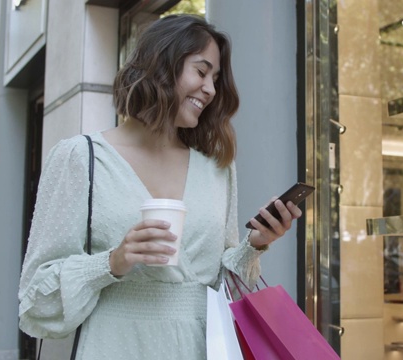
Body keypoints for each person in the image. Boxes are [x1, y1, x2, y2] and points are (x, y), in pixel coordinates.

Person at [18, 14, 303, 360]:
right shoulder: (80, 158)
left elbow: (219, 281)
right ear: (162, 65)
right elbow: (36, 297)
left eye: (215, 79)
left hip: (199, 346)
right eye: (201, 72)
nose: (211, 89)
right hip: (113, 344)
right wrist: (113, 261)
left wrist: (256, 244)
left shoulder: (217, 169)